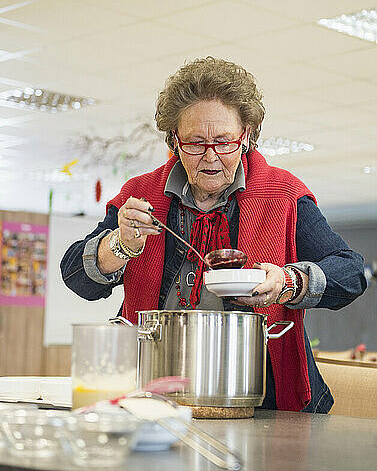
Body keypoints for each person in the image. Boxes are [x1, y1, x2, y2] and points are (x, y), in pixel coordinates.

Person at [61, 57, 366, 413]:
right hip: (152, 397)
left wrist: (287, 281)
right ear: (174, 140)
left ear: (247, 135)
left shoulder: (284, 194)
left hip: (262, 399)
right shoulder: (141, 195)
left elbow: (351, 272)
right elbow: (75, 276)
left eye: (224, 142)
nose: (210, 157)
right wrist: (120, 246)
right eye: (194, 142)